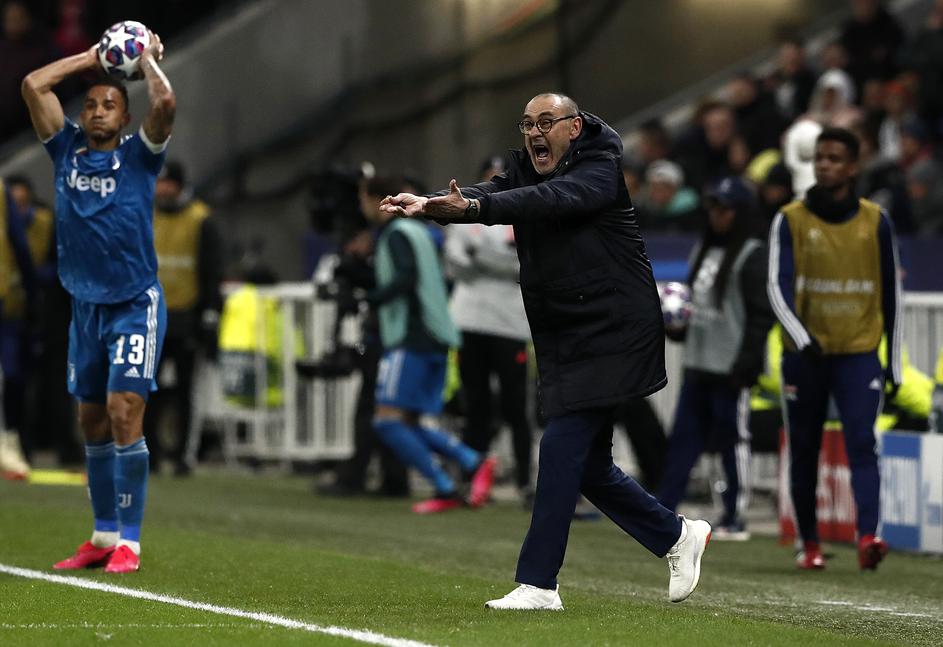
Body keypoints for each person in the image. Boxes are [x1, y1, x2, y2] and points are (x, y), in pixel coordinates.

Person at [380, 92, 711, 610]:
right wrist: (429, 203)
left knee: (559, 446)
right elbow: (495, 190)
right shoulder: (528, 169)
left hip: (613, 328)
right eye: (527, 124)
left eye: (546, 122)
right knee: (589, 466)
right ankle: (676, 535)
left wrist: (473, 208)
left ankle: (538, 583)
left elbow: (545, 200)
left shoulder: (600, 168)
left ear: (574, 128)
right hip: (568, 331)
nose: (535, 132)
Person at [22, 33, 175, 573]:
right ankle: (104, 535)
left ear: (125, 116)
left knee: (123, 410)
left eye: (109, 103)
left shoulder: (139, 157)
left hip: (134, 303)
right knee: (90, 421)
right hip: (84, 307)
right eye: (89, 104)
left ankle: (130, 542)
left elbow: (165, 103)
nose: (97, 110)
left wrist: (146, 60)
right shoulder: (64, 150)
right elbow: (33, 85)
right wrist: (90, 59)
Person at [768, 127, 901, 571]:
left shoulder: (876, 222)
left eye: (834, 158)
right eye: (819, 157)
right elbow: (777, 287)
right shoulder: (790, 219)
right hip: (805, 356)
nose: (824, 165)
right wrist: (802, 338)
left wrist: (893, 362)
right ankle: (809, 543)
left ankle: (869, 537)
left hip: (858, 352)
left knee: (862, 441)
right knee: (805, 448)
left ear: (853, 167)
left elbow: (892, 296)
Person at [364, 175, 496, 515]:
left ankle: (450, 480)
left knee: (387, 421)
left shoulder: (396, 233)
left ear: (373, 199)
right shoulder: (421, 232)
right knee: (409, 420)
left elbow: (406, 277)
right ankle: (470, 464)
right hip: (436, 335)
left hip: (412, 336)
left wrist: (371, 298)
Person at [658, 176, 775, 541]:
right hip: (699, 361)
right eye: (713, 208)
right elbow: (695, 304)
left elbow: (760, 316)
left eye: (725, 209)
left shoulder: (752, 253)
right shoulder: (703, 250)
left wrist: (747, 363)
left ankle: (734, 514)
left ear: (740, 212)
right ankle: (661, 511)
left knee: (732, 442)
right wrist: (677, 327)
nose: (717, 216)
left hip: (730, 368)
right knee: (683, 441)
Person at [445, 157, 534, 508]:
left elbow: (525, 263)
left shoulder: (524, 213)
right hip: (470, 319)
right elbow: (456, 264)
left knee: (516, 405)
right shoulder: (464, 212)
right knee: (475, 402)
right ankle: (472, 479)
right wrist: (499, 259)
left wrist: (482, 256)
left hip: (510, 322)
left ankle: (526, 480)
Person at [146, 160, 223, 476]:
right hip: (151, 316)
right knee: (145, 388)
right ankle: (147, 453)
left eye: (168, 184)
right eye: (160, 183)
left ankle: (182, 456)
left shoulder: (200, 219)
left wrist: (210, 312)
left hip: (186, 316)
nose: (163, 189)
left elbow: (212, 270)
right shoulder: (146, 214)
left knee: (185, 390)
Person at [0, 175, 55, 477]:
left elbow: (21, 247)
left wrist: (33, 292)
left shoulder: (44, 222)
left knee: (13, 377)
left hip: (11, 308)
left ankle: (10, 439)